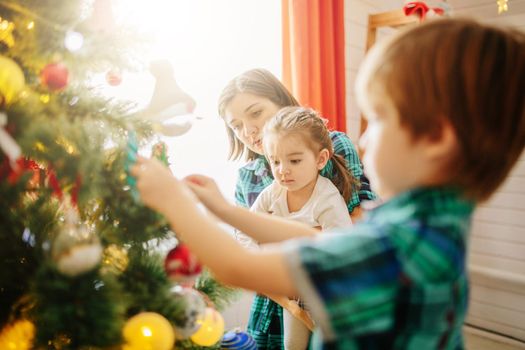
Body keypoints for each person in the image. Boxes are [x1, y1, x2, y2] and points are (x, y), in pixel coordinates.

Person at [132, 18, 525, 348]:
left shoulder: (399, 248)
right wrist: (226, 211)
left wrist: (173, 200)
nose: (365, 138)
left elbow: (236, 266)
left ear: (436, 138)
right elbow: (321, 239)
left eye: (379, 119)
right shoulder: (425, 225)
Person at [218, 68, 374, 348]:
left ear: (282, 102)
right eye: (237, 125)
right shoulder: (248, 177)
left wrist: (274, 240)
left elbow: (357, 222)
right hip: (274, 302)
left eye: (255, 113)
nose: (249, 130)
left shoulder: (332, 145)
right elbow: (247, 246)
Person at [253, 106, 354, 349]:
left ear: (320, 159)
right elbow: (246, 227)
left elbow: (342, 247)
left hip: (329, 292)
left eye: (294, 161)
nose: (282, 170)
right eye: (275, 161)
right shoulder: (273, 193)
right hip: (293, 290)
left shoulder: (326, 198)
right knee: (292, 345)